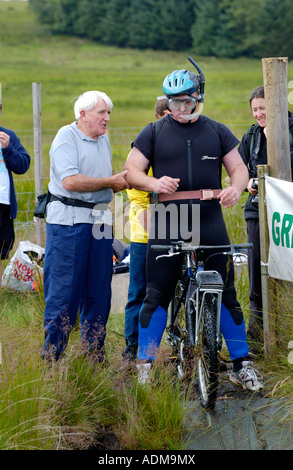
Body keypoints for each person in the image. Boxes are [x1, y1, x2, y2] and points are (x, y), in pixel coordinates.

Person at [124, 63, 263, 391]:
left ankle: (241, 365)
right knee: (155, 294)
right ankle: (145, 366)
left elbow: (239, 168)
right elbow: (131, 171)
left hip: (209, 219)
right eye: (173, 103)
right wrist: (154, 182)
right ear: (166, 102)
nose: (180, 109)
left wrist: (236, 187)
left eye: (186, 101)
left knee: (227, 293)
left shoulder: (216, 130)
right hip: (167, 221)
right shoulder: (153, 132)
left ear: (198, 98)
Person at [41, 90, 130, 363]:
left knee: (99, 290)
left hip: (100, 219)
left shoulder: (102, 139)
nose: (107, 119)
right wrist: (110, 182)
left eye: (109, 113)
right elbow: (70, 182)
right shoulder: (66, 137)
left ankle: (93, 358)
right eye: (101, 113)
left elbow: (103, 181)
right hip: (70, 220)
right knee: (65, 292)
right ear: (83, 114)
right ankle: (52, 358)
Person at [238, 85, 293, 349]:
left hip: (287, 212)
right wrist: (247, 181)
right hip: (257, 212)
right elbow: (238, 171)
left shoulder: (291, 130)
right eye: (255, 109)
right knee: (257, 273)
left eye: (264, 108)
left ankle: (286, 330)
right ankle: (257, 335)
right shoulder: (250, 136)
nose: (260, 114)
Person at [123, 98, 170, 361]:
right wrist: (155, 233)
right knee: (139, 293)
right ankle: (131, 352)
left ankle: (157, 348)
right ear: (164, 114)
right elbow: (138, 196)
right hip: (146, 236)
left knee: (167, 294)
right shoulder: (146, 145)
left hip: (176, 233)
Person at [0, 105, 31, 288]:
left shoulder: (7, 136)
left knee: (3, 249)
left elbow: (23, 166)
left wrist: (8, 148)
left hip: (3, 204)